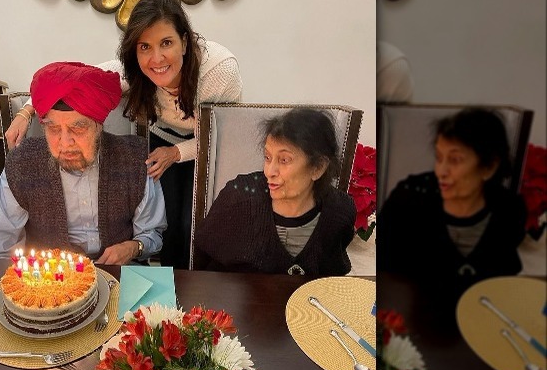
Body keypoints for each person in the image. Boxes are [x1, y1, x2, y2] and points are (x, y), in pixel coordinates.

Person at [3, 0, 242, 269]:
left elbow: (223, 132)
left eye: (166, 43)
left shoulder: (220, 72)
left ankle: (190, 287)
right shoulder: (131, 72)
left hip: (207, 144)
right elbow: (71, 82)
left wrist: (176, 153)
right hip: (161, 138)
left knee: (195, 225)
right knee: (171, 223)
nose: (156, 58)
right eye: (145, 47)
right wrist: (27, 111)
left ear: (185, 42)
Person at [0, 61, 167, 265]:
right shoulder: (22, 166)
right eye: (53, 129)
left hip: (121, 274)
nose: (65, 142)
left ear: (99, 125)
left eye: (78, 128)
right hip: (50, 282)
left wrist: (134, 247)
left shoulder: (135, 160)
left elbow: (152, 235)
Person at [193, 109, 356, 275]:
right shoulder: (238, 198)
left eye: (284, 160)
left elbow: (334, 275)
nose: (269, 171)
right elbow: (202, 257)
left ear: (318, 167)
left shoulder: (340, 211)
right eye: (267, 157)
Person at [378, 108, 526, 287]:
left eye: (455, 160)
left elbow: (503, 282)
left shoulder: (509, 210)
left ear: (489, 167)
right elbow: (385, 270)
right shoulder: (408, 199)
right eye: (439, 158)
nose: (441, 171)